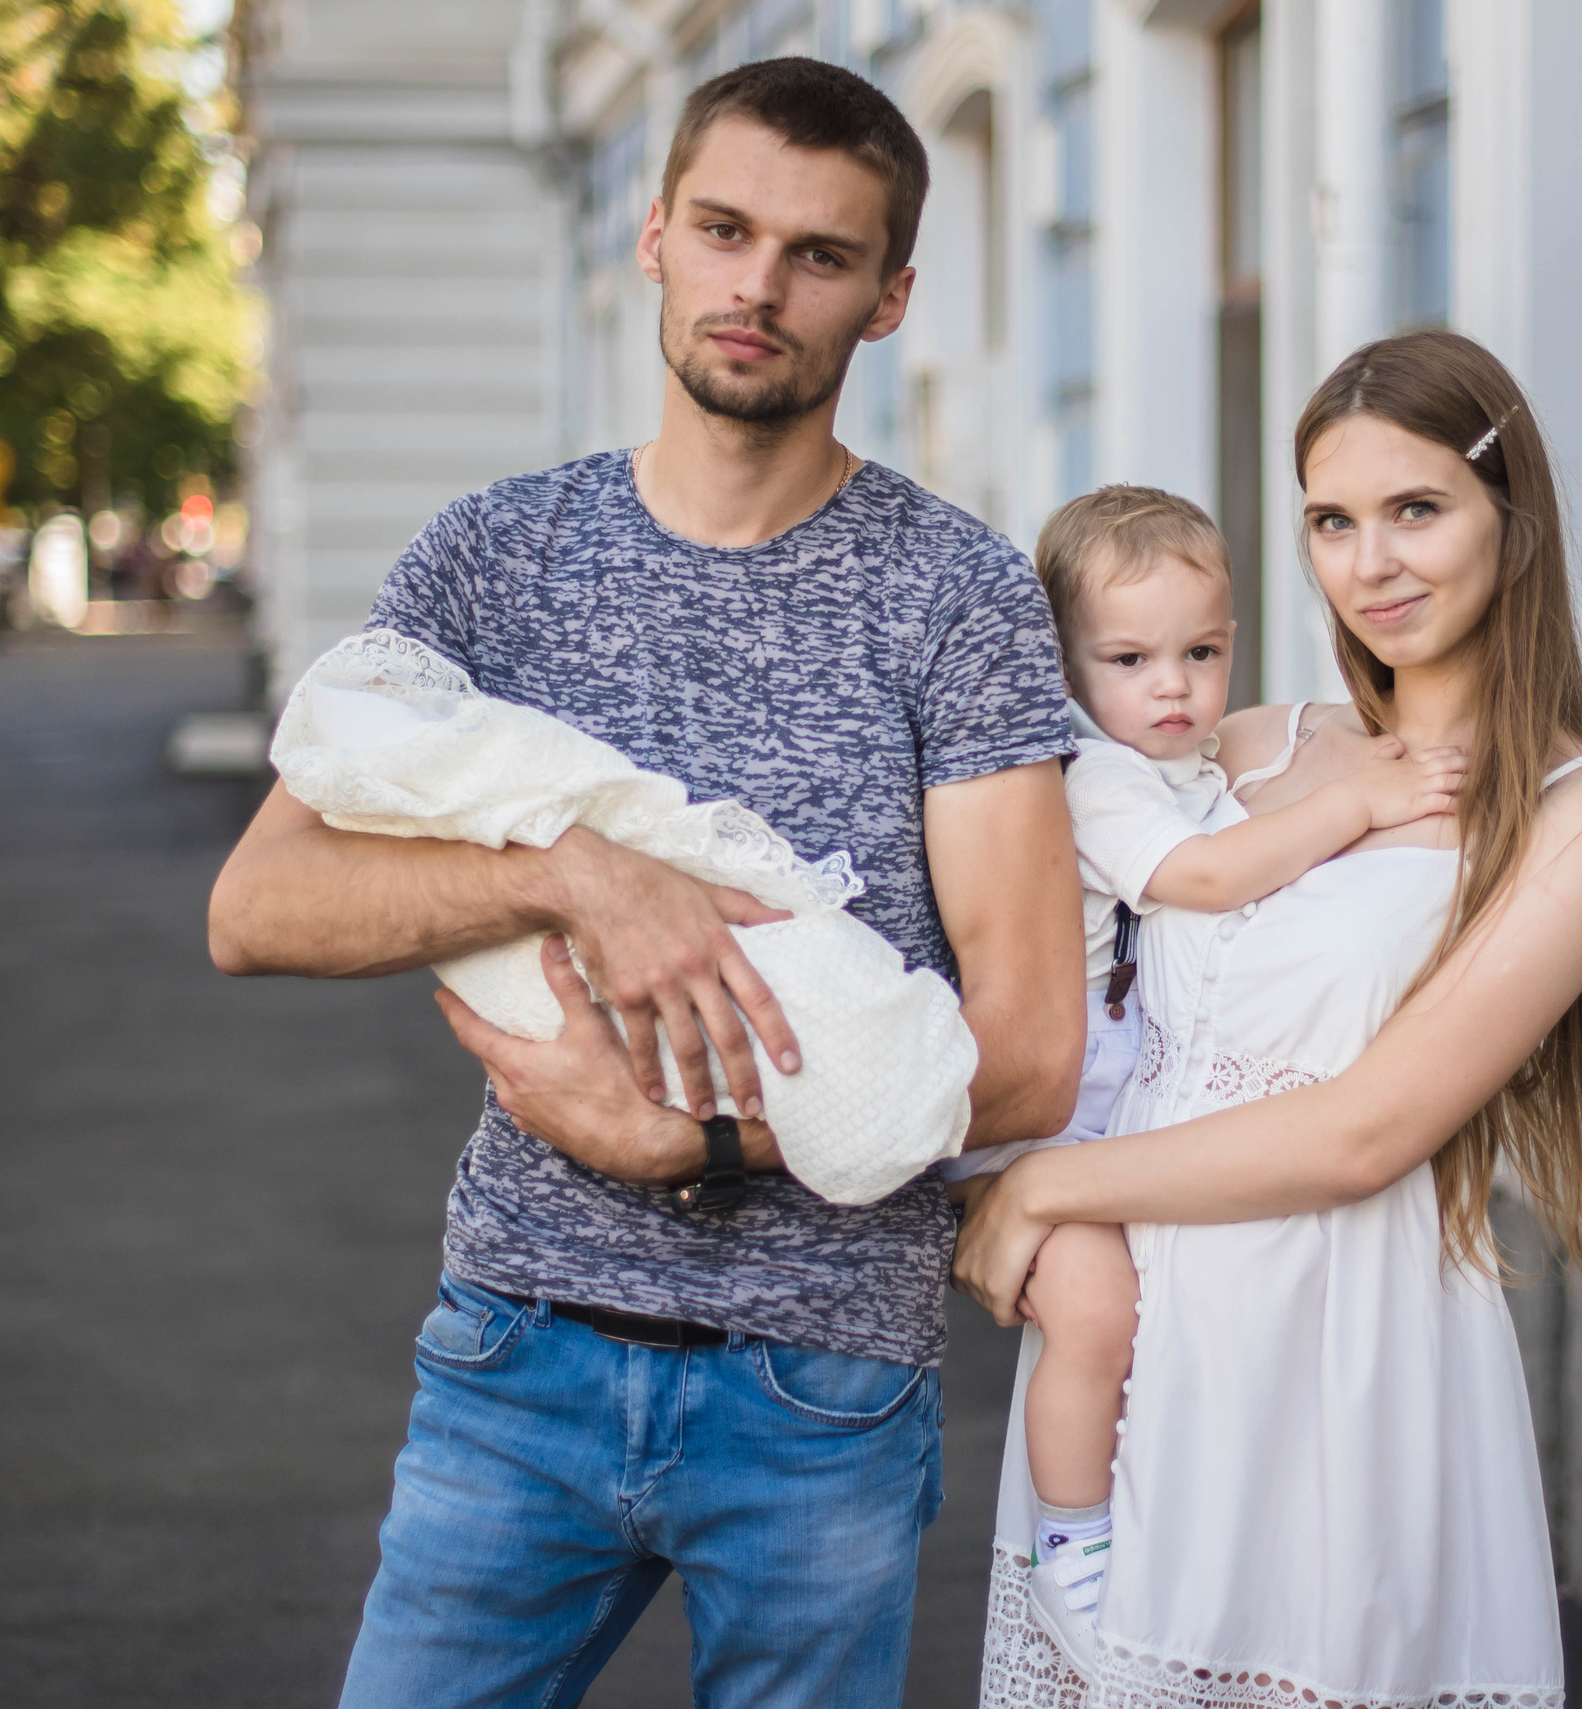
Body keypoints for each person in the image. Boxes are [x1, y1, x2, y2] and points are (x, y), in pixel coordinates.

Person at [208, 58, 1086, 1709]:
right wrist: (572, 874)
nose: (759, 285)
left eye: (819, 254)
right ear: (655, 235)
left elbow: (1031, 1050)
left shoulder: (956, 596)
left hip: (819, 1381)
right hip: (516, 1350)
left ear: (889, 299)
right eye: (725, 230)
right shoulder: (498, 557)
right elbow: (257, 906)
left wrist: (689, 1143)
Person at [955, 328, 1582, 1704]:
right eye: (1333, 521)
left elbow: (1360, 1134)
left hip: (1335, 1348)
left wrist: (1039, 1189)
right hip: (1130, 1338)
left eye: (1416, 509)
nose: (1369, 562)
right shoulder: (1236, 743)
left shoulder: (1580, 819)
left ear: (1511, 518)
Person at [937, 484, 1463, 1670]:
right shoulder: (1095, 777)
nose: (1171, 687)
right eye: (1129, 659)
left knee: (1137, 1330)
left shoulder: (1180, 767)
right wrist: (1360, 798)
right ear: (1062, 664)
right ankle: (1068, 1542)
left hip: (1111, 1118)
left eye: (1202, 653)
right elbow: (1214, 880)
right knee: (1093, 1312)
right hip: (1042, 1124)